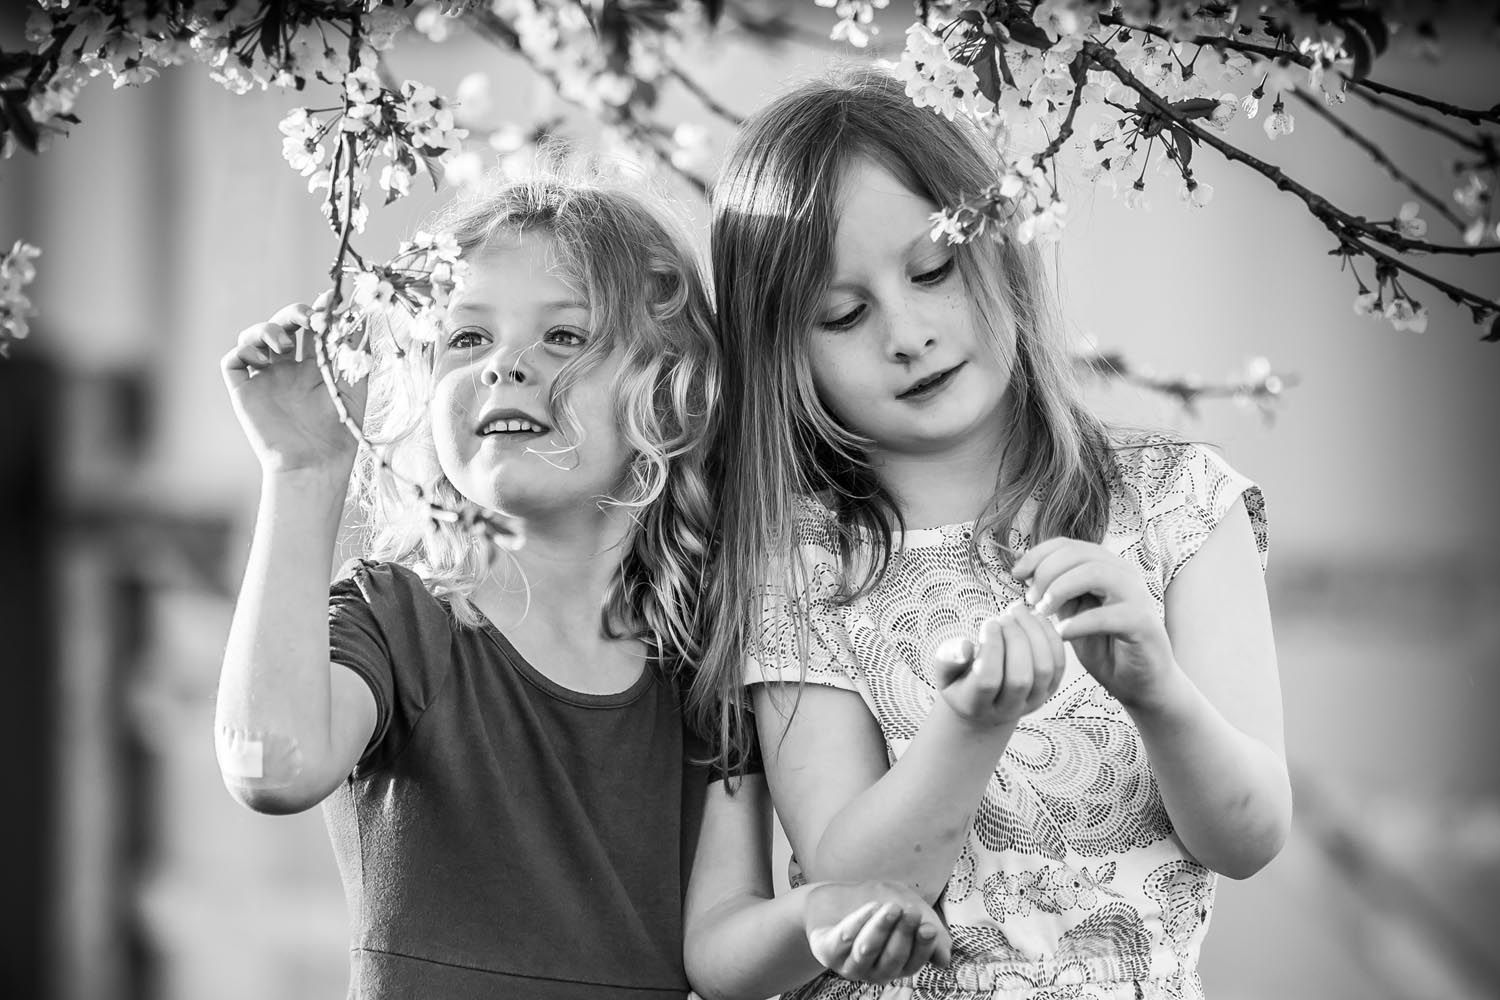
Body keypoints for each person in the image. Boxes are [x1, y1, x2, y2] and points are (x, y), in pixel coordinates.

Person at [215, 165, 951, 1000]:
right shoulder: (397, 620)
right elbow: (272, 768)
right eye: (466, 339)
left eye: (563, 336)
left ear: (671, 392)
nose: (504, 366)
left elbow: (724, 951)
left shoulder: (705, 655)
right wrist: (303, 470)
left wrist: (823, 917)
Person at [697, 68, 1292, 999]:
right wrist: (970, 727)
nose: (906, 331)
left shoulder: (1177, 504)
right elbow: (847, 883)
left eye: (932, 270)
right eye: (843, 315)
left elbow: (1250, 837)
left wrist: (1158, 692)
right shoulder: (800, 564)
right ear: (785, 354)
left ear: (1003, 251)